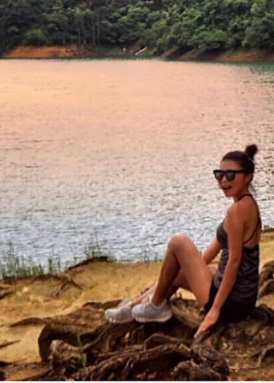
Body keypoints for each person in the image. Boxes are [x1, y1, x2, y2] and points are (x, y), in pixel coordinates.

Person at [106, 144, 262, 339]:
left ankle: (154, 306)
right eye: (219, 174)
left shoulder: (237, 211)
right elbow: (211, 252)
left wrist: (214, 310)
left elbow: (234, 262)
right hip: (244, 299)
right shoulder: (247, 205)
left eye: (230, 175)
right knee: (177, 272)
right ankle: (136, 306)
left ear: (248, 176)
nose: (223, 180)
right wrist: (190, 268)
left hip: (232, 304)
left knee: (178, 242)